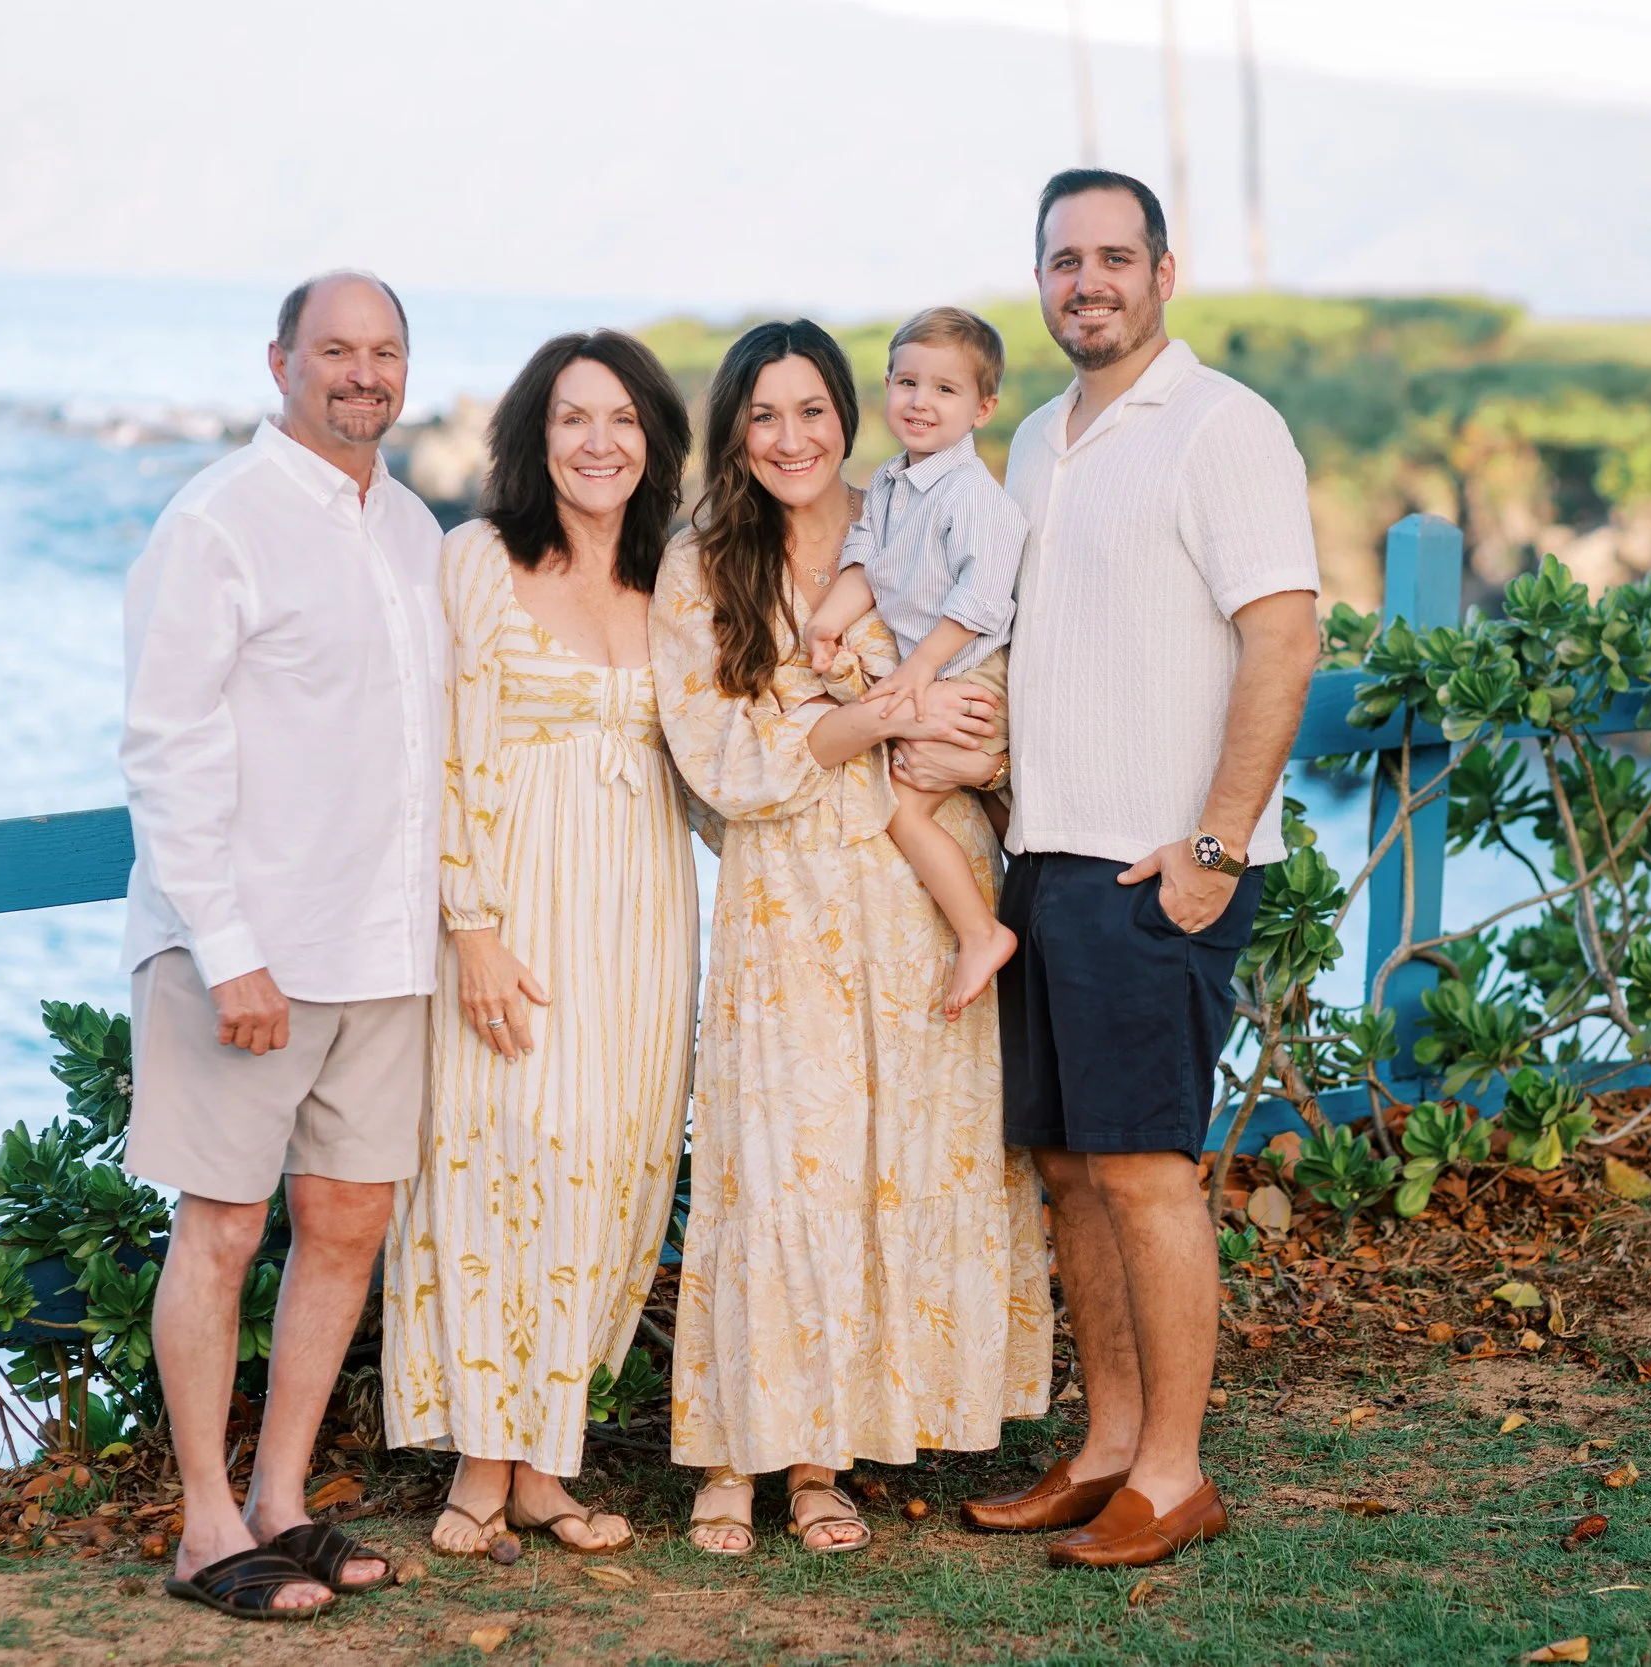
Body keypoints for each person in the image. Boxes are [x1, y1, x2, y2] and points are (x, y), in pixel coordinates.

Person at [959, 170, 1321, 1570]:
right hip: (1046, 859)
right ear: (1040, 279)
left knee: (1149, 1171)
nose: (1087, 280)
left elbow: (1282, 639)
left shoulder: (1224, 428)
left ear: (1164, 272)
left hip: (1153, 871)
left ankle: (1175, 1472)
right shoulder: (1043, 438)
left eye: (1115, 256)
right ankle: (1109, 1447)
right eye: (1064, 259)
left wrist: (1216, 848)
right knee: (1070, 1169)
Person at [649, 320, 1052, 1559]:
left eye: (812, 411)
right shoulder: (701, 562)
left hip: (923, 889)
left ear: (850, 416)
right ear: (735, 431)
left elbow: (1007, 676)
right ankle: (733, 1450)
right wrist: (843, 729)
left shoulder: (914, 521)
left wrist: (976, 744)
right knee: (780, 1166)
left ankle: (824, 1455)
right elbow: (706, 750)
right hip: (788, 903)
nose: (790, 438)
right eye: (763, 416)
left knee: (895, 1161)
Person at [119, 270, 439, 1619]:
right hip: (249, 952)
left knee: (348, 1218)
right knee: (225, 1224)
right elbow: (167, 744)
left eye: (383, 353)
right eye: (334, 350)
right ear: (279, 361)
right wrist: (229, 945)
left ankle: (284, 1499)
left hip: (387, 948)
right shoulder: (217, 522)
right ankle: (204, 1522)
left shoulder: (417, 523)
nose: (360, 374)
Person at [380, 331, 700, 1558]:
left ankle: (543, 1461)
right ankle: (478, 1457)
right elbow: (444, 754)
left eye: (622, 418)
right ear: (534, 435)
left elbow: (723, 756)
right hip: (510, 912)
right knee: (489, 1159)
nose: (599, 440)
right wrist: (470, 925)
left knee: (608, 1170)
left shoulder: (673, 583)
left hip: (642, 920)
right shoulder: (476, 561)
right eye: (572, 418)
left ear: (652, 441)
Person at [802, 306, 1027, 1019]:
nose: (920, 402)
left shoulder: (974, 497)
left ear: (983, 407)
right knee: (904, 795)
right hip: (930, 665)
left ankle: (980, 931)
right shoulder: (894, 482)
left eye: (945, 390)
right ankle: (976, 924)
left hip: (969, 668)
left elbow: (983, 599)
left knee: (900, 803)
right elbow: (866, 559)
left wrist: (923, 668)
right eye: (907, 383)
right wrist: (827, 621)